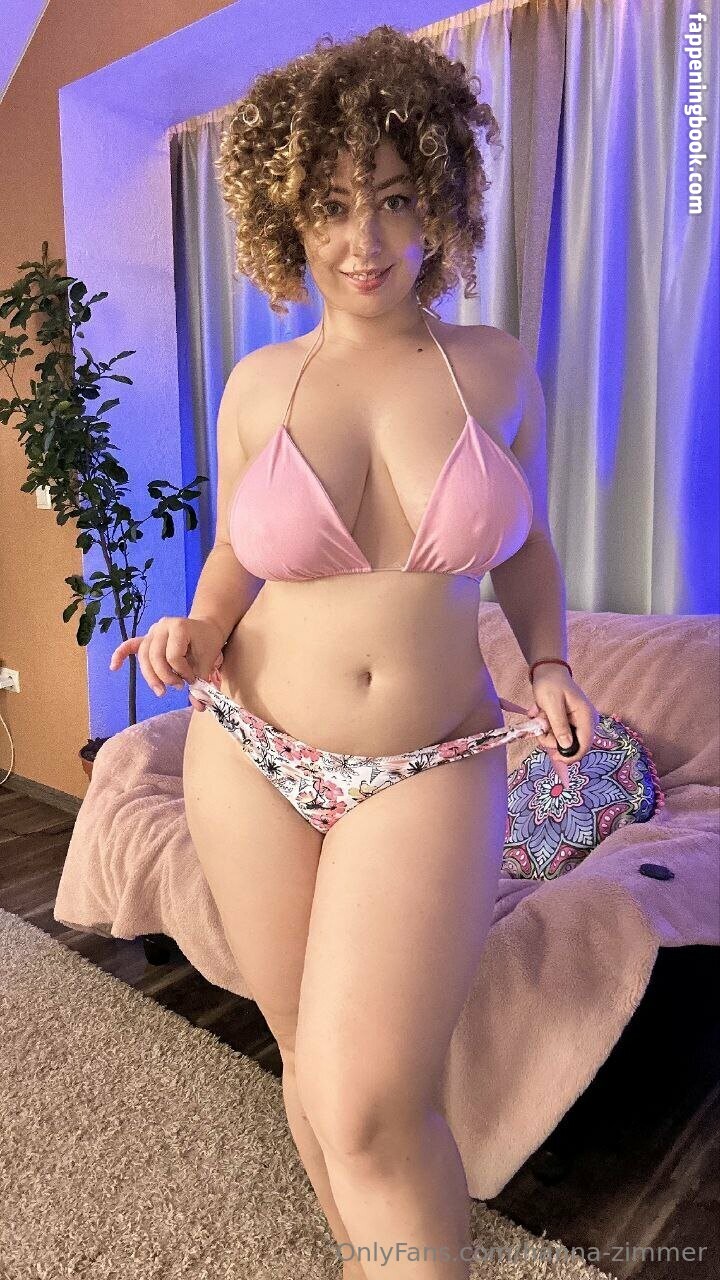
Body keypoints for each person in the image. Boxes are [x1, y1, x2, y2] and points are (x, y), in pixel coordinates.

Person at [110, 25, 598, 1279]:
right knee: (309, 1065)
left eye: (391, 197)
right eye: (329, 206)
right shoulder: (258, 383)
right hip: (249, 748)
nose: (363, 239)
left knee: (371, 1101)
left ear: (440, 196)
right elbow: (238, 550)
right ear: (288, 218)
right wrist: (194, 627)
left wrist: (549, 664)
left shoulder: (493, 367)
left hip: (431, 760)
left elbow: (528, 548)